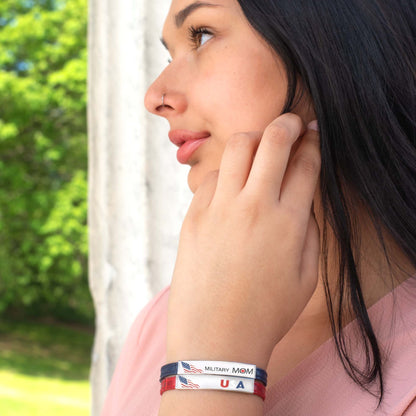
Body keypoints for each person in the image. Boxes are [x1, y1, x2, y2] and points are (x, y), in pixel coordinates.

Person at [101, 0, 416, 415]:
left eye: (203, 35)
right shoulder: (166, 317)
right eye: (169, 54)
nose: (154, 97)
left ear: (336, 44)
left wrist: (214, 363)